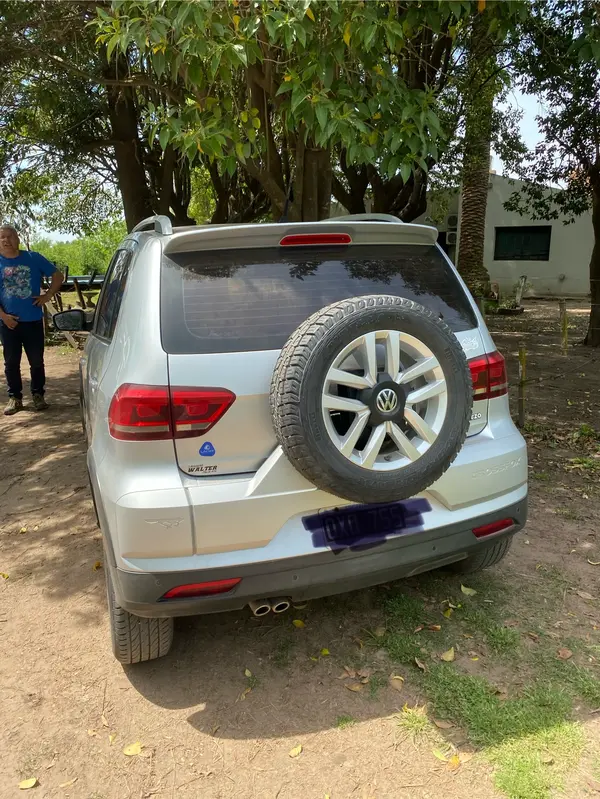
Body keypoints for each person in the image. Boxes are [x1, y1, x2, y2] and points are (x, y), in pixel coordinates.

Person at [0, 225, 64, 415]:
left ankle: (38, 395)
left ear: (17, 239)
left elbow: (57, 275)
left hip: (33, 321)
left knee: (36, 361)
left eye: (10, 236)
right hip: (8, 323)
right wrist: (3, 316)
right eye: (2, 237)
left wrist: (48, 295)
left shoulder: (33, 258)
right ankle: (15, 398)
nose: (6, 240)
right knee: (11, 362)